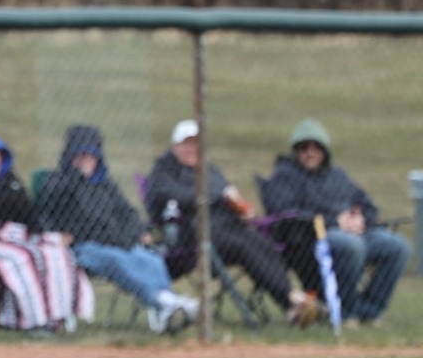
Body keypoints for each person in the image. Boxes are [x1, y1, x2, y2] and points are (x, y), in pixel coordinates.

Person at [146, 119, 320, 327]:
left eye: (196, 144)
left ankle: (291, 305)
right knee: (242, 246)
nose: (191, 149)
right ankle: (293, 299)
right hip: (191, 235)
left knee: (260, 243)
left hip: (226, 226)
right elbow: (169, 196)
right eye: (186, 144)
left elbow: (228, 193)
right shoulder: (164, 171)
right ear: (175, 146)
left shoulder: (210, 171)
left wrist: (241, 210)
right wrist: (215, 197)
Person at [37, 124, 199, 333]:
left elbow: (128, 213)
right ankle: (163, 301)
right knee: (117, 260)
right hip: (82, 247)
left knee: (150, 260)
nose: (86, 162)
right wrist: (76, 177)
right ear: (70, 157)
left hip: (116, 242)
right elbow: (54, 207)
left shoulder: (105, 185)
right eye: (80, 156)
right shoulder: (55, 182)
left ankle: (165, 310)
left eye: (91, 157)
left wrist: (136, 234)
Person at [261, 119, 411, 324]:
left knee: (397, 247)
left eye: (316, 147)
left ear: (325, 151)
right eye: (304, 147)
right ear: (296, 151)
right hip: (311, 239)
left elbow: (368, 205)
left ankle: (370, 311)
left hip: (356, 232)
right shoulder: (284, 177)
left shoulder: (337, 176)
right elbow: (285, 213)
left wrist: (360, 220)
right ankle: (346, 312)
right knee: (351, 246)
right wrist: (334, 221)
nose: (310, 153)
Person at [0, 129, 93, 331]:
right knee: (23, 257)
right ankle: (34, 320)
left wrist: (39, 229)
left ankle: (57, 316)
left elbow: (27, 215)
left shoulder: (8, 180)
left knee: (56, 253)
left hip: (11, 238)